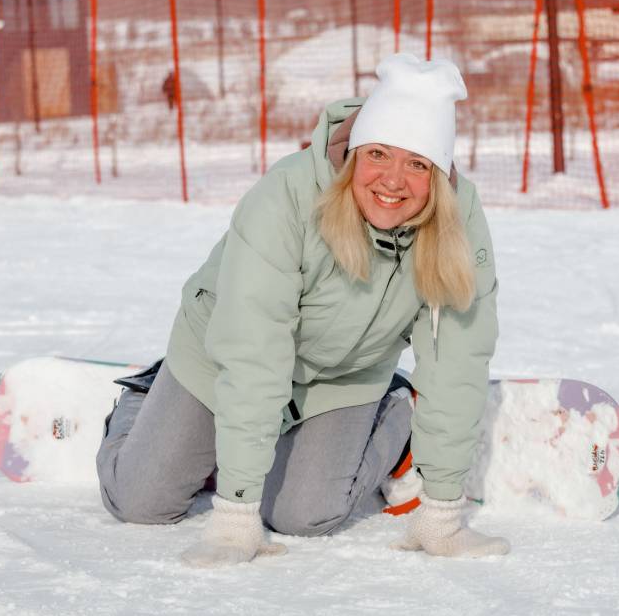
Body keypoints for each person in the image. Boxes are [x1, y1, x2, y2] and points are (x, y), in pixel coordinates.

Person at [97, 53, 508, 567]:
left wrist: (442, 511)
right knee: (140, 501)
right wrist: (234, 514)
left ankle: (393, 406)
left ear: (438, 172)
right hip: (223, 357)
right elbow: (254, 349)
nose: (394, 180)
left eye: (417, 163)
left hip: (343, 375)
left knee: (303, 515)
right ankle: (148, 395)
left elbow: (456, 359)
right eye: (378, 153)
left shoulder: (457, 219)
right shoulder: (286, 196)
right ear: (354, 152)